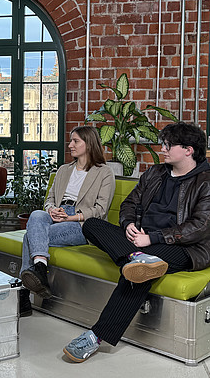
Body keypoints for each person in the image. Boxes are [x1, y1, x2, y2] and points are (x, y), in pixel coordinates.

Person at [64, 122, 210, 363]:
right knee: (92, 225)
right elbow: (129, 204)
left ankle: (96, 336)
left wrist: (152, 238)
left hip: (183, 248)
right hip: (140, 240)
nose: (162, 148)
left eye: (168, 145)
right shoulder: (155, 173)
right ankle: (137, 258)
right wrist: (128, 224)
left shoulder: (205, 181)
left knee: (138, 274)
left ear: (188, 149)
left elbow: (200, 226)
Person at [19, 126, 115, 317]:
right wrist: (52, 210)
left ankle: (24, 293)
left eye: (75, 141)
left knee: (30, 237)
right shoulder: (64, 170)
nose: (70, 145)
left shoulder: (104, 173)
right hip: (58, 215)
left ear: (88, 144)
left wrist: (71, 216)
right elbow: (49, 199)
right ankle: (40, 268)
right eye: (70, 141)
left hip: (81, 223)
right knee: (37, 214)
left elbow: (100, 210)